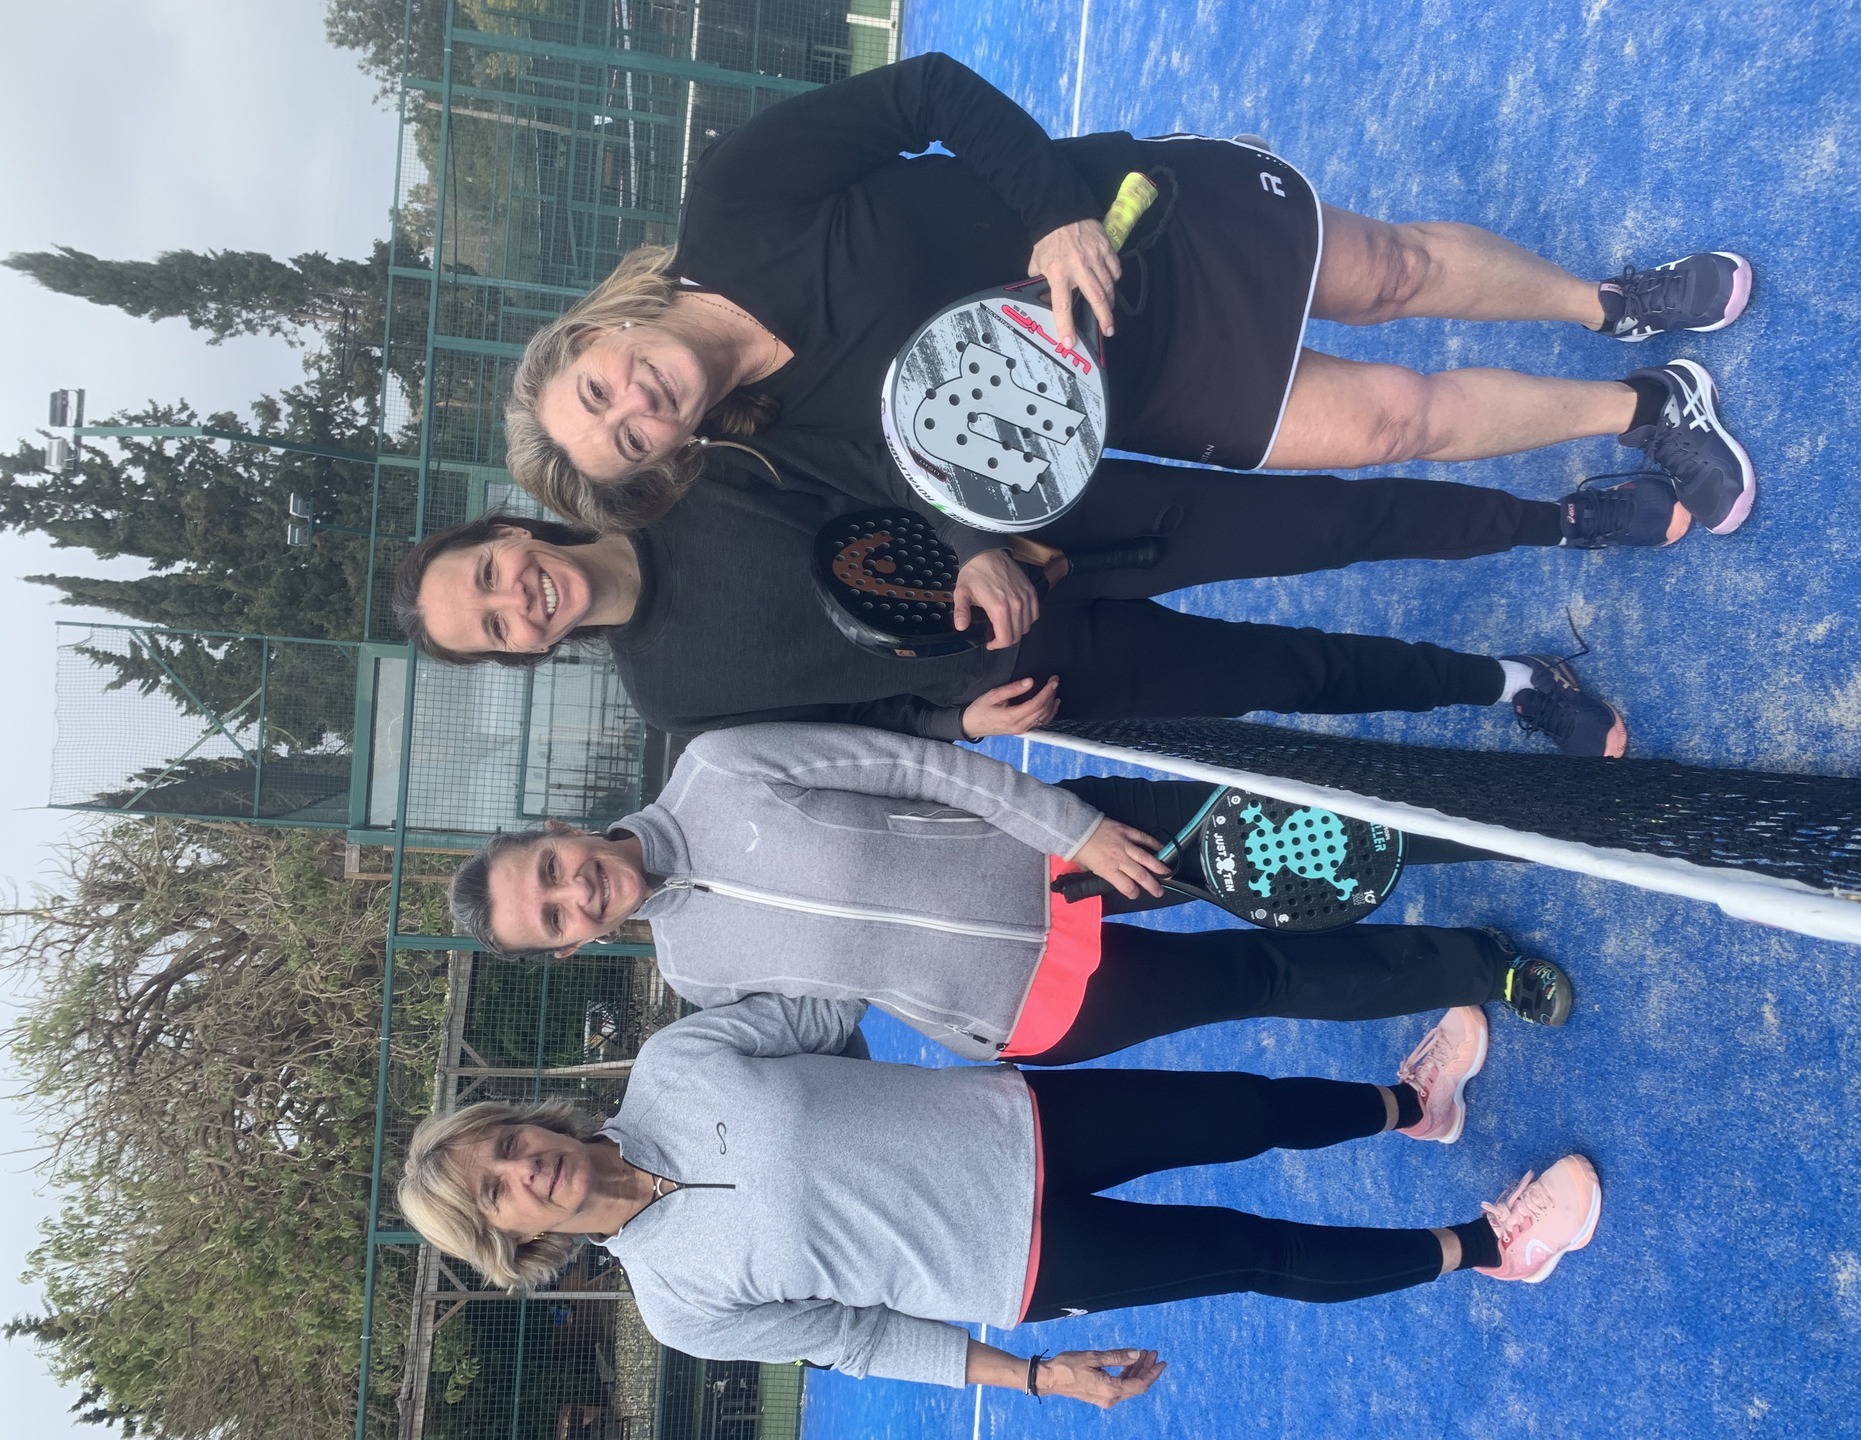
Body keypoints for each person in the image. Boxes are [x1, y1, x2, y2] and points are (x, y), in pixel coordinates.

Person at [499, 51, 1754, 650]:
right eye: (626, 439)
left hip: (1134, 225)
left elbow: (922, 94)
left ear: (601, 333)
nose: (632, 405)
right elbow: (914, 480)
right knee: (1392, 423)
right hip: (1138, 387)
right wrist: (977, 556)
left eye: (598, 389)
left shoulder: (735, 200)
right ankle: (1649, 407)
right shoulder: (777, 442)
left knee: (1392, 276)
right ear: (663, 457)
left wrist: (1056, 213)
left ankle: (1608, 303)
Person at [397, 994, 1603, 1405]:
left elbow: (827, 1005)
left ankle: (1411, 1104)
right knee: (1253, 1249)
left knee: (1243, 1109)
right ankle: (1491, 1243)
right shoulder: (677, 1303)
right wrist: (1031, 1379)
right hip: (1025, 1266)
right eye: (498, 1195)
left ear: (522, 1120)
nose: (523, 1170)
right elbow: (859, 1339)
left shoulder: (673, 1064)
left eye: (503, 1145)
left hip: (1021, 1118)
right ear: (513, 1239)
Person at [448, 722, 1574, 1061]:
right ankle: (1485, 968)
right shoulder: (695, 976)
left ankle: (1524, 831)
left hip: (1066, 852)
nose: (572, 892)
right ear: (567, 948)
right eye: (552, 920)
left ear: (556, 830)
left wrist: (1074, 829)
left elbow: (916, 768)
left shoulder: (717, 769)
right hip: (1032, 1009)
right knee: (1267, 978)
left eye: (547, 870)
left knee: (1295, 842)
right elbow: (836, 1015)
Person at [392, 455, 1641, 755]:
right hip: (1031, 672)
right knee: (1294, 674)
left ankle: (1563, 518)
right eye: (493, 627)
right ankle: (1517, 684)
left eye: (489, 575)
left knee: (1325, 523)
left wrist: (970, 542)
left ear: (510, 531)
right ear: (521, 653)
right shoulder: (673, 701)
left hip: (1051, 527)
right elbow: (854, 730)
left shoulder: (683, 477)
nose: (517, 600)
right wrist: (963, 725)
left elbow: (876, 458)